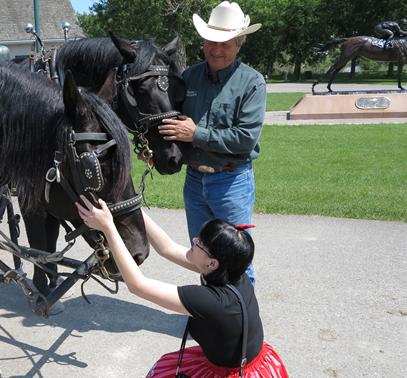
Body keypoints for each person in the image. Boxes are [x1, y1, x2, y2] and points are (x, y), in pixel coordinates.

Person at [76, 195, 288, 378]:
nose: (193, 240)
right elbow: (167, 248)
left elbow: (137, 285)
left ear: (212, 263)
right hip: (251, 362)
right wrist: (129, 204)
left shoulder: (211, 301)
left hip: (229, 372)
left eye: (199, 244)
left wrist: (108, 227)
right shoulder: (231, 271)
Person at [158, 1, 265, 286]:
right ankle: (212, 318)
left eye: (225, 44)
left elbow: (244, 140)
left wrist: (196, 134)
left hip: (231, 182)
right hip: (194, 182)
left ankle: (242, 326)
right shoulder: (189, 76)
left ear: (239, 45)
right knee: (202, 258)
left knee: (237, 260)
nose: (216, 49)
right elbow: (172, 121)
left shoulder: (252, 82)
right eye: (211, 41)